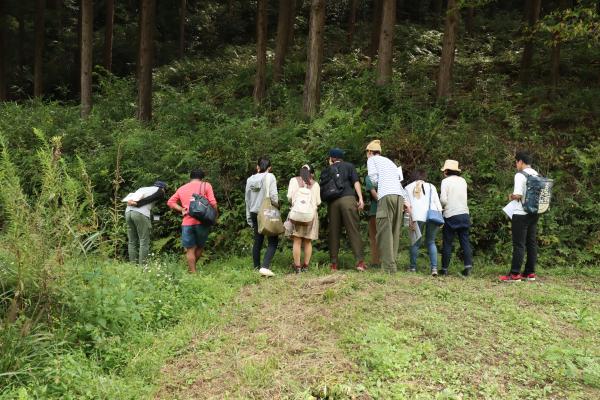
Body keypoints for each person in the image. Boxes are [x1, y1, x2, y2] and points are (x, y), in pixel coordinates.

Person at [366, 140, 409, 273]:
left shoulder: (372, 160)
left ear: (370, 152)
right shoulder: (390, 162)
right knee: (394, 231)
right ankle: (392, 264)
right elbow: (398, 182)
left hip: (386, 196)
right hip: (399, 197)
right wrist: (406, 202)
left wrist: (381, 185)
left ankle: (388, 268)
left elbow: (373, 178)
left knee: (384, 231)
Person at [319, 148, 366, 271]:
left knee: (334, 232)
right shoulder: (349, 166)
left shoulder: (326, 170)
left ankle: (334, 264)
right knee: (353, 230)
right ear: (341, 157)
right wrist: (360, 198)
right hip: (348, 199)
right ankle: (359, 262)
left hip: (332, 202)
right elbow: (356, 182)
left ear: (331, 158)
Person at [167, 169, 218, 273]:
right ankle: (193, 271)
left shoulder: (182, 188)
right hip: (202, 222)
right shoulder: (206, 185)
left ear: (190, 177)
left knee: (190, 249)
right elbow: (213, 203)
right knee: (200, 247)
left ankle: (192, 271)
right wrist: (215, 215)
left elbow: (170, 202)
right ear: (202, 177)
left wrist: (181, 209)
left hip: (187, 222)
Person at [500, 151, 540, 282]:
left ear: (521, 162)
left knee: (519, 244)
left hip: (520, 214)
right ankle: (529, 273)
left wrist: (510, 196)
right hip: (533, 213)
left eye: (516, 162)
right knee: (531, 243)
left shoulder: (520, 175)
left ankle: (515, 274)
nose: (516, 165)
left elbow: (517, 195)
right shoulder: (536, 173)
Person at [245, 157, 279, 277]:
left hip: (254, 212)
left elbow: (247, 200)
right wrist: (277, 207)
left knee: (258, 240)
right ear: (269, 168)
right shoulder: (270, 177)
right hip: (266, 211)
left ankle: (256, 268)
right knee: (273, 240)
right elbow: (274, 196)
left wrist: (249, 217)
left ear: (257, 167)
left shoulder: (249, 180)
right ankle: (264, 267)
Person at [405, 170, 442, 276]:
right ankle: (434, 269)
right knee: (431, 242)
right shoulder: (431, 186)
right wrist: (440, 218)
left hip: (416, 217)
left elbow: (407, 207)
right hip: (432, 216)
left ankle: (413, 268)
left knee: (415, 242)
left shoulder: (407, 188)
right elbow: (437, 204)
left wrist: (409, 220)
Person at [439, 160, 473, 276]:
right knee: (465, 241)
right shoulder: (463, 181)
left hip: (451, 214)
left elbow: (443, 199)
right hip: (464, 214)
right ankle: (468, 267)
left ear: (447, 171)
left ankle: (444, 269)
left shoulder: (445, 181)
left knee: (448, 242)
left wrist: (441, 207)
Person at [286, 164, 321, 273]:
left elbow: (289, 197)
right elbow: (318, 202)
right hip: (310, 217)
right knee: (307, 241)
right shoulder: (315, 185)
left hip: (296, 214)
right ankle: (305, 266)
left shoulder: (293, 180)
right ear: (312, 173)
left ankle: (297, 268)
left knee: (297, 241)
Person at [125, 181, 167, 265]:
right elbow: (149, 199)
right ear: (163, 188)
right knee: (144, 241)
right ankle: (143, 267)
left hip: (128, 212)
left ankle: (132, 265)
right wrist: (137, 204)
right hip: (140, 213)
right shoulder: (160, 191)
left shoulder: (142, 189)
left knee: (132, 241)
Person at [364, 175, 380, 268]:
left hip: (375, 210)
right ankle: (388, 261)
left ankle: (376, 262)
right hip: (390, 210)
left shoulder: (370, 177)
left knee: (374, 237)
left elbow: (374, 195)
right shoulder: (388, 174)